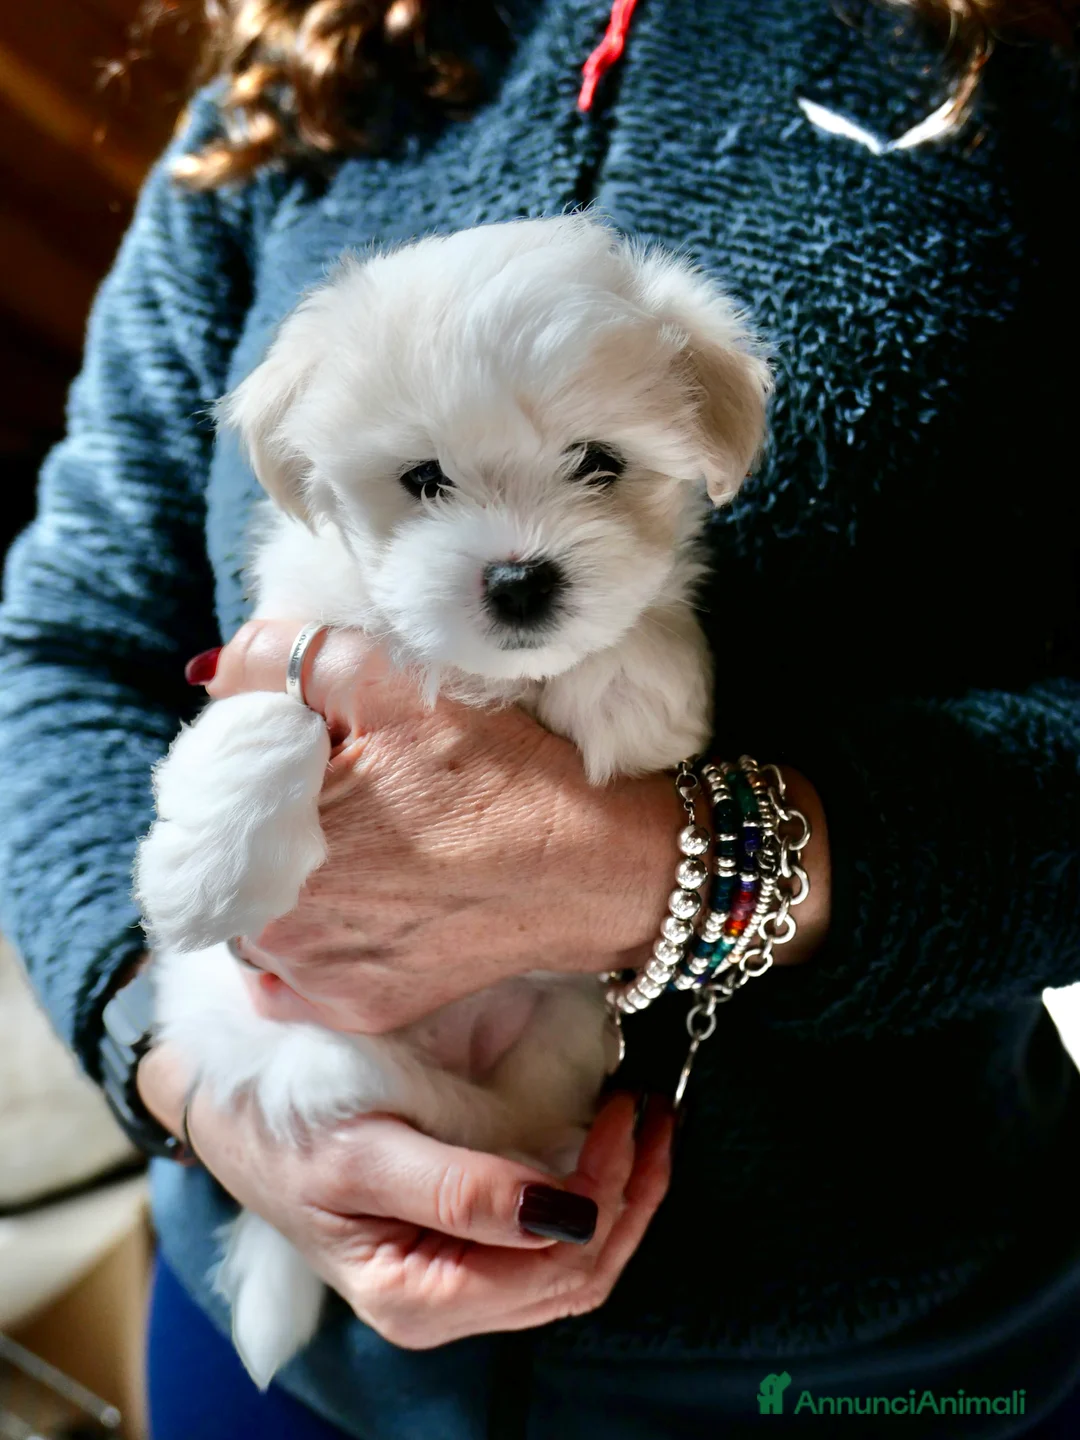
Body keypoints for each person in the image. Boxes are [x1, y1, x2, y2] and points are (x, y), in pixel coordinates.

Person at [1, 0, 1078, 1435]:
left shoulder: (1036, 70)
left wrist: (680, 865)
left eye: (592, 467)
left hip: (877, 1359)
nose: (515, 552)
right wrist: (188, 1078)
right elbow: (63, 645)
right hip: (262, 1304)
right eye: (428, 486)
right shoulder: (298, 70)